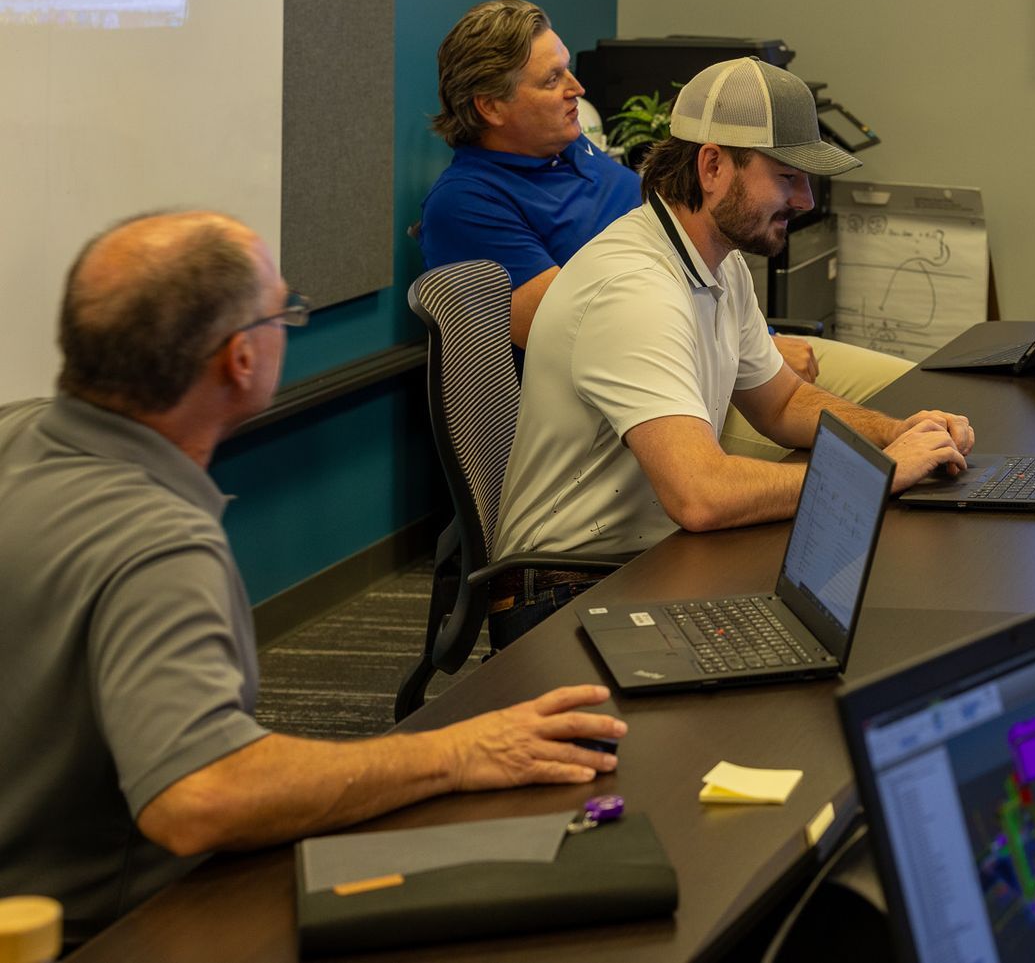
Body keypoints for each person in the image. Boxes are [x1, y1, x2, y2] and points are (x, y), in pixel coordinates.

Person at [0, 212, 628, 948]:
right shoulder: (154, 541)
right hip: (117, 928)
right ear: (240, 359)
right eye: (284, 314)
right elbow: (201, 795)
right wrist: (460, 751)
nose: (289, 328)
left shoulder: (16, 437)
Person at [488, 57, 974, 646]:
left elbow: (782, 402)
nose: (805, 200)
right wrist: (881, 473)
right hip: (565, 594)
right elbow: (701, 494)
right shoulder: (635, 289)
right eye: (788, 176)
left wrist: (897, 432)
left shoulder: (719, 263)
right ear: (713, 165)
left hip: (649, 558)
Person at [416, 0, 910, 458]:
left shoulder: (576, 152)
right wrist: (749, 346)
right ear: (490, 106)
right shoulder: (466, 202)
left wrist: (753, 339)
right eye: (551, 80)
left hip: (732, 351)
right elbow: (572, 324)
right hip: (649, 395)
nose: (577, 88)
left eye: (567, 68)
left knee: (915, 395)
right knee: (862, 463)